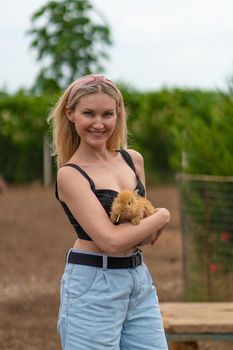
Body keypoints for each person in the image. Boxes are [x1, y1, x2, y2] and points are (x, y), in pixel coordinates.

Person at [49, 74, 170, 350]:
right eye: (88, 113)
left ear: (118, 114)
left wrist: (145, 229)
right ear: (70, 113)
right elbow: (111, 242)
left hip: (138, 280)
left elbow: (144, 237)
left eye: (107, 114)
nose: (99, 123)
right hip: (93, 285)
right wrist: (162, 217)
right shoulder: (70, 175)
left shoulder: (133, 160)